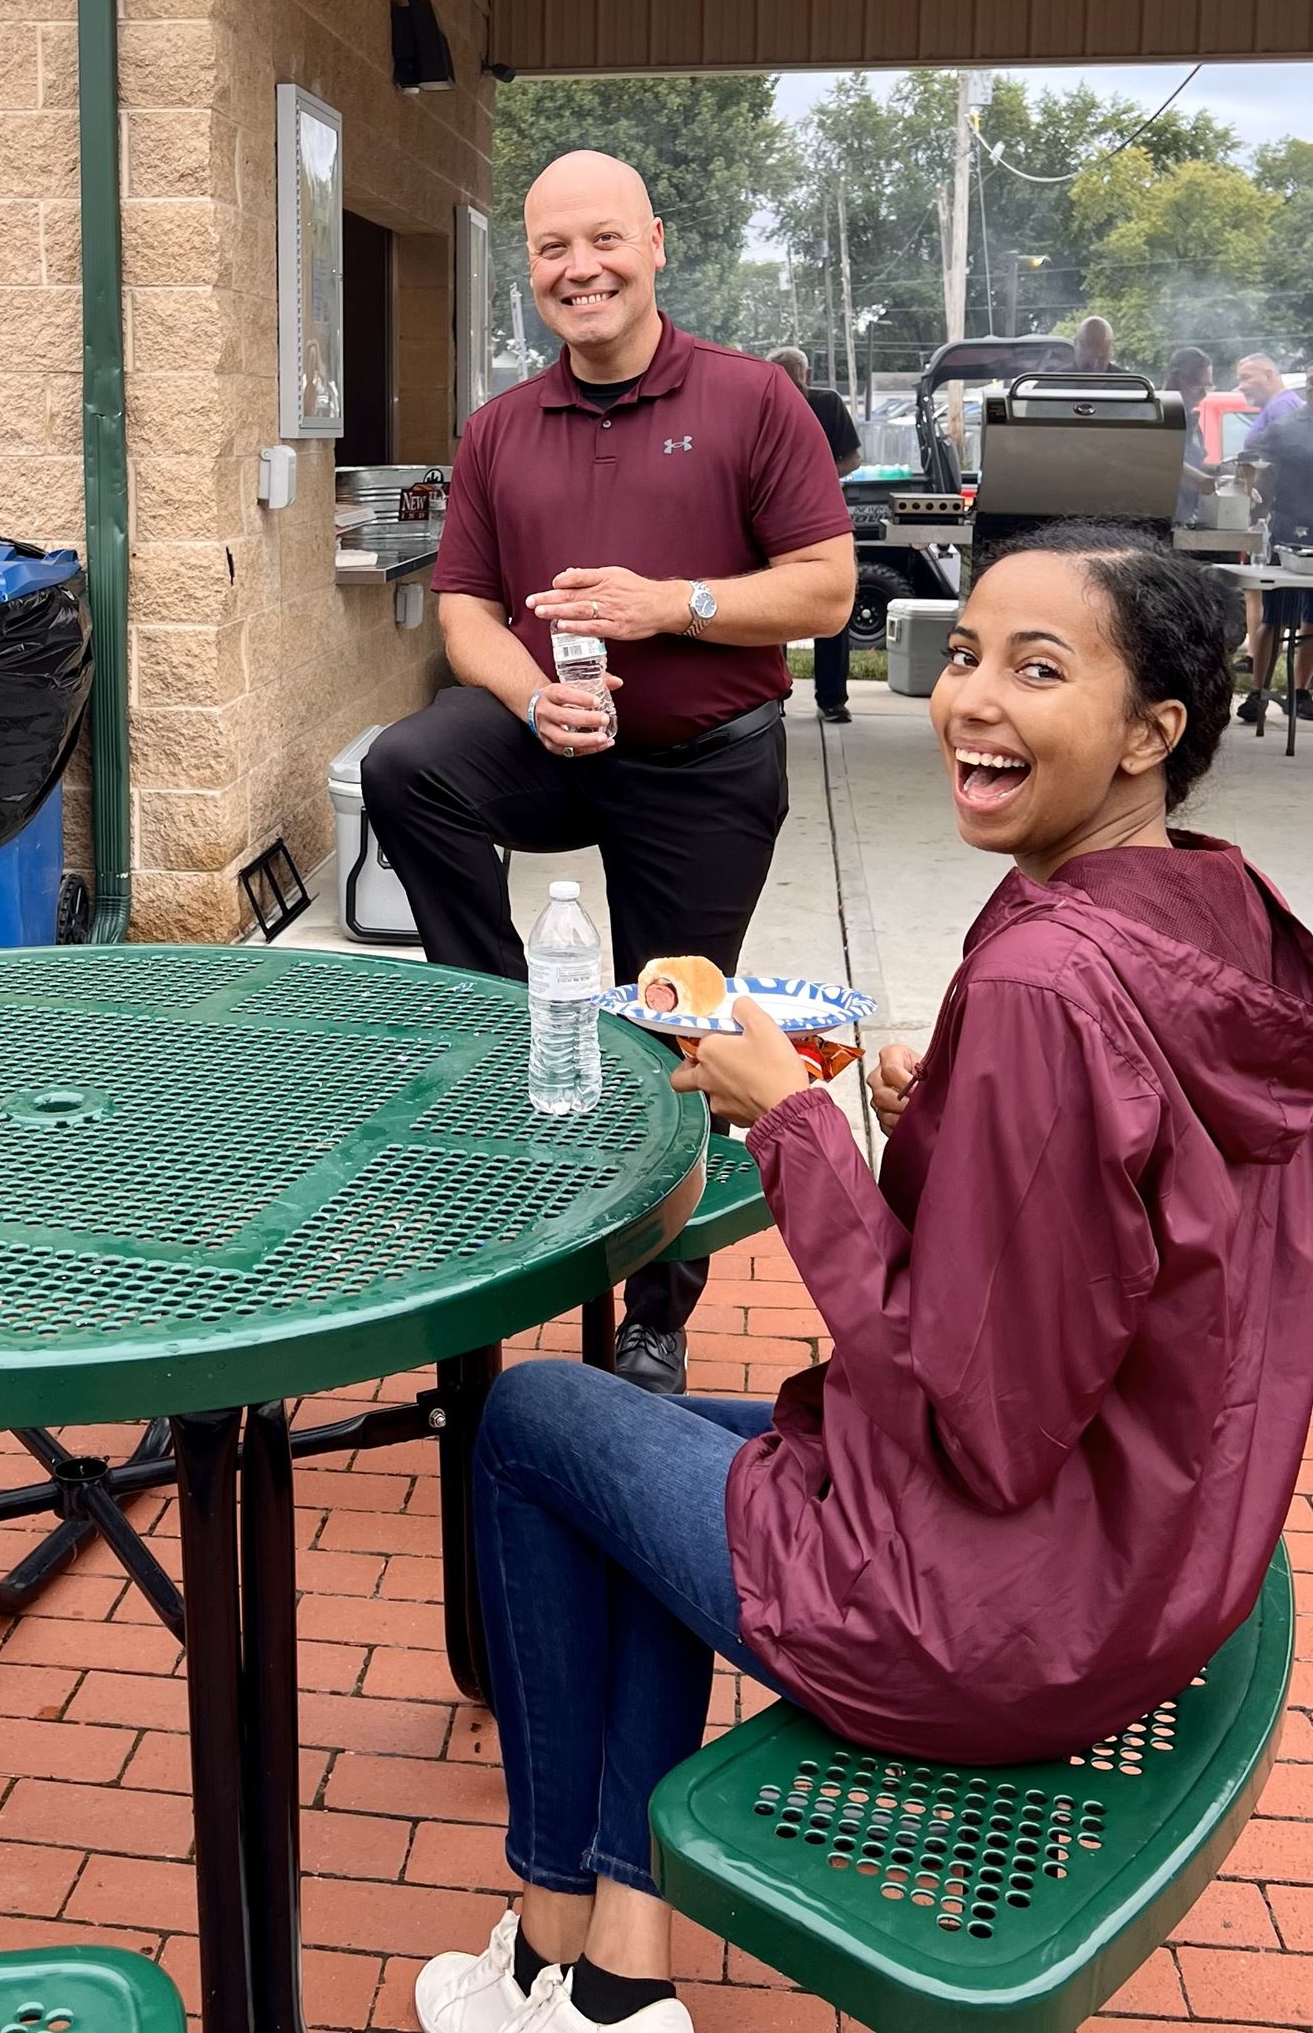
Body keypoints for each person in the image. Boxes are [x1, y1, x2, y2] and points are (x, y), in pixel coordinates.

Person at [414, 528, 1313, 2033]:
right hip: (1146, 1554)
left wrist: (793, 1121)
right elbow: (1130, 1212)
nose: (972, 699)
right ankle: (609, 1980)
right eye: (962, 655)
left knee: (535, 1428)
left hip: (998, 1614)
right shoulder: (1213, 911)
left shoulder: (1041, 978)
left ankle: (544, 1930)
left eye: (1038, 669)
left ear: (1154, 732)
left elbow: (987, 1418)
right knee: (639, 1465)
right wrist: (953, 1103)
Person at [363, 151, 854, 1398]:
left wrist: (670, 604)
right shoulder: (500, 428)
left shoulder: (751, 402)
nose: (578, 269)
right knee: (409, 763)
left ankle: (657, 1309)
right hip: (557, 741)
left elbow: (827, 589)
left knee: (677, 1012)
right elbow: (463, 609)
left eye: (602, 241)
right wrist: (532, 695)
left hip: (703, 765)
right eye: (550, 250)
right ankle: (512, 1022)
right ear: (530, 269)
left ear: (655, 243)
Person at [767, 348, 860, 723]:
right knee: (772, 609)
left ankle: (832, 699)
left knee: (830, 607)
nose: (791, 380)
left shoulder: (828, 403)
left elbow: (852, 458)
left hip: (823, 517)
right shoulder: (760, 401)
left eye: (795, 374)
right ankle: (775, 694)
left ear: (808, 373)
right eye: (782, 373)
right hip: (769, 516)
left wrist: (817, 479)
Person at [1232, 356, 1306, 723]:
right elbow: (1263, 474)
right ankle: (1259, 694)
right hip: (1287, 534)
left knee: (1309, 620)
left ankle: (1298, 692)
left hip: (1297, 531)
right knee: (1274, 615)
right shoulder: (1289, 423)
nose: (1242, 385)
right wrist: (1256, 512)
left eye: (1247, 377)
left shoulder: (1287, 413)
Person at [1163, 344, 1214, 527]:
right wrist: (1206, 483)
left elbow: (1197, 463)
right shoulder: (1157, 416)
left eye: (1207, 387)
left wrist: (1225, 474)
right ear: (1177, 378)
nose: (1203, 394)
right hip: (1161, 522)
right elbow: (1161, 462)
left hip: (1186, 519)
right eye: (1197, 385)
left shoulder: (1192, 419)